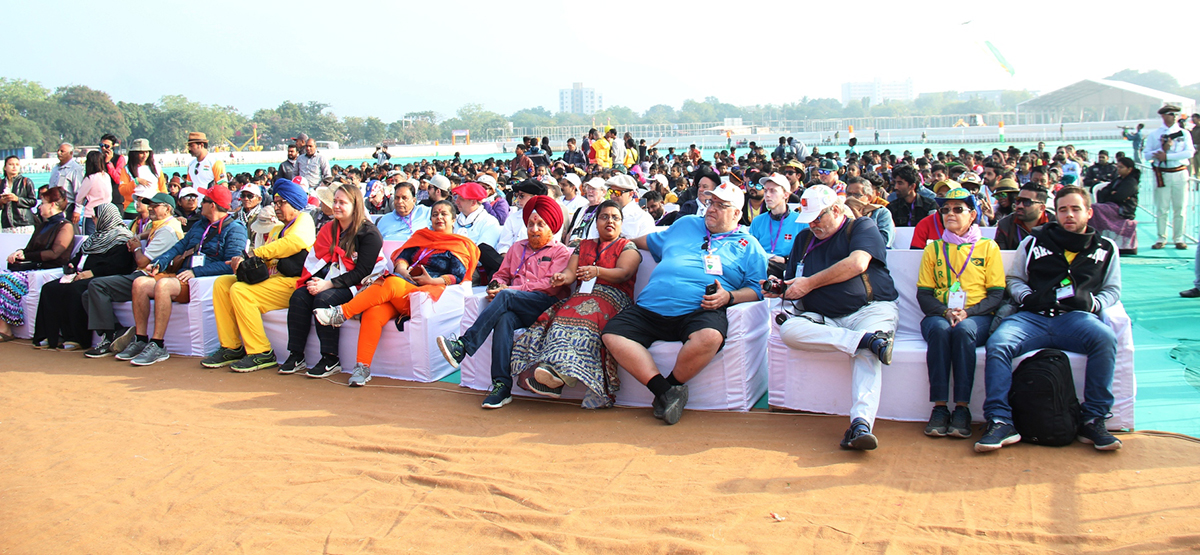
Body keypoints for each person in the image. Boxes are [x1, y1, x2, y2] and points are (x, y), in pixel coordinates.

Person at [602, 182, 768, 425]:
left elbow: (757, 289)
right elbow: (646, 241)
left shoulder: (749, 245)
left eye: (721, 205)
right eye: (711, 202)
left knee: (710, 337)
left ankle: (671, 387)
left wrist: (729, 297)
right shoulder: (686, 224)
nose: (712, 208)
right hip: (650, 306)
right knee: (612, 335)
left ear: (737, 214)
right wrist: (616, 243)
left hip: (700, 308)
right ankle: (666, 391)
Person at [977, 186, 1123, 453]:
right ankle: (1000, 420)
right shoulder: (1034, 241)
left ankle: (1093, 419)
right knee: (998, 343)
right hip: (1032, 318)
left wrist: (1094, 303)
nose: (1069, 215)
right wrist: (1027, 298)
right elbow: (1015, 279)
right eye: (1064, 209)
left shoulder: (1106, 248)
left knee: (1105, 338)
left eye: (1076, 209)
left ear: (1089, 213)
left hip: (1075, 319)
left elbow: (1112, 290)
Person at [770, 185, 898, 450]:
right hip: (823, 316)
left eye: (818, 217)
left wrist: (809, 284)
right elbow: (796, 279)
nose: (813, 225)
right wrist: (782, 287)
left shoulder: (861, 227)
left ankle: (861, 423)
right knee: (789, 331)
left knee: (868, 354)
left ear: (837, 210)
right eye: (809, 219)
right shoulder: (804, 239)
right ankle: (864, 340)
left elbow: (857, 264)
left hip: (869, 308)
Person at [314, 200, 480, 386]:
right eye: (435, 214)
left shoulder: (459, 244)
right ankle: (362, 367)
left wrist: (432, 280)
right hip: (402, 286)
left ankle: (342, 313)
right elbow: (402, 258)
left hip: (425, 293)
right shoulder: (422, 237)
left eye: (444, 214)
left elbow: (458, 275)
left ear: (453, 219)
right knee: (373, 311)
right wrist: (403, 270)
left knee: (391, 282)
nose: (439, 218)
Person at [436, 196, 572, 409]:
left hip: (545, 304)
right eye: (530, 224)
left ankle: (463, 345)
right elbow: (501, 275)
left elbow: (550, 286)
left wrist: (506, 291)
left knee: (506, 297)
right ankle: (501, 386)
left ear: (552, 227)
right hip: (515, 306)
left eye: (540, 224)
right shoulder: (517, 248)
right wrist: (495, 286)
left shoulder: (560, 252)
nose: (534, 229)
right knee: (504, 319)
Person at [509, 200, 642, 406]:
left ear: (621, 224)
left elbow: (624, 273)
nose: (610, 221)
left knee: (588, 317)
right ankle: (553, 371)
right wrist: (562, 278)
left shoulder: (627, 246)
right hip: (581, 296)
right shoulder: (584, 245)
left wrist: (597, 271)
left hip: (613, 297)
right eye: (604, 217)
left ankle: (564, 376)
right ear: (596, 222)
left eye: (615, 217)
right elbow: (571, 273)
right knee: (559, 317)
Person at [114, 185, 245, 365]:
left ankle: (158, 344)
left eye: (204, 200)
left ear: (212, 205)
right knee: (140, 283)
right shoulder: (200, 224)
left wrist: (196, 272)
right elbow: (180, 246)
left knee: (163, 285)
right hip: (185, 275)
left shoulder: (235, 229)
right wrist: (160, 261)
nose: (199, 203)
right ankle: (141, 339)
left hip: (201, 280)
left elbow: (231, 264)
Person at [200, 179, 316, 372]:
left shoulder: (304, 220)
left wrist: (257, 254)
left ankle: (261, 352)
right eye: (275, 203)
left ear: (294, 204)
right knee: (222, 283)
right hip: (272, 281)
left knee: (240, 291)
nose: (277, 207)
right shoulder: (278, 228)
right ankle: (231, 346)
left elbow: (294, 243)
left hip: (294, 284)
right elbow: (267, 257)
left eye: (282, 203)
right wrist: (243, 263)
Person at [917, 189, 1004, 439]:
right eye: (945, 210)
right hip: (940, 314)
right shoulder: (933, 249)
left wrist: (968, 313)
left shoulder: (988, 247)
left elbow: (997, 295)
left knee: (964, 331)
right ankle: (940, 407)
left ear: (973, 215)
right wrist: (945, 311)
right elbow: (924, 295)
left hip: (977, 316)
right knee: (939, 330)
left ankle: (963, 408)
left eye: (958, 209)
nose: (950, 213)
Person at [278, 182, 383, 380]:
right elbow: (318, 260)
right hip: (332, 279)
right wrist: (316, 282)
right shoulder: (328, 229)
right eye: (335, 201)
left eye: (342, 202)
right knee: (300, 295)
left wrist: (327, 284)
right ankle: (296, 354)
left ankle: (330, 358)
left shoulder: (369, 234)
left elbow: (362, 272)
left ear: (355, 206)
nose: (336, 206)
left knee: (324, 299)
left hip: (362, 284)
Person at [82, 192, 184, 357]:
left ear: (168, 209)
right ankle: (117, 331)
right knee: (88, 294)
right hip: (145, 275)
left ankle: (110, 337)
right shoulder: (159, 225)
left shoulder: (167, 230)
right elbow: (147, 235)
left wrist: (136, 247)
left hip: (150, 277)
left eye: (155, 205)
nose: (150, 208)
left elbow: (142, 262)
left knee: (96, 285)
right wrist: (138, 236)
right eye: (150, 204)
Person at [31, 204, 136, 350]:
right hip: (80, 275)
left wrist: (92, 273)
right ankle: (50, 335)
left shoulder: (122, 238)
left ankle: (75, 337)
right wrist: (72, 266)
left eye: (96, 216)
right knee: (50, 288)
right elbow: (79, 257)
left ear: (106, 217)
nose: (93, 219)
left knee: (75, 290)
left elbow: (119, 265)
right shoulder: (94, 238)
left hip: (103, 277)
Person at [0, 187, 74, 341]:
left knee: (4, 281)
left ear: (53, 205)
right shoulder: (42, 225)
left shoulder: (65, 226)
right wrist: (19, 252)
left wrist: (26, 255)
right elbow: (29, 248)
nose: (39, 206)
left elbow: (55, 253)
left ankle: (5, 329)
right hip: (33, 268)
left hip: (49, 269)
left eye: (43, 203)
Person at [1143, 104, 1196, 250]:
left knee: (1180, 207)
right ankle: (1161, 237)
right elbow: (1147, 155)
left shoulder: (1183, 133)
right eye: (1171, 114)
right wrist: (1162, 150)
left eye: (1176, 114)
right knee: (1162, 208)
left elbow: (1189, 152)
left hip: (1179, 172)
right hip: (1163, 173)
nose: (1174, 117)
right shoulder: (1155, 135)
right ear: (1164, 116)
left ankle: (1179, 238)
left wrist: (1168, 156)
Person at [749, 174, 807, 278]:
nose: (767, 195)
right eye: (766, 190)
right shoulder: (758, 221)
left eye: (773, 191)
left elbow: (805, 254)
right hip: (761, 266)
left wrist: (785, 259)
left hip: (787, 267)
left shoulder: (801, 221)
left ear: (785, 194)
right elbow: (750, 250)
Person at [453, 182, 503, 277]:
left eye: (461, 199)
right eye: (457, 198)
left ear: (473, 202)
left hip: (472, 270)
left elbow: (482, 253)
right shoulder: (455, 220)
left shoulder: (489, 222)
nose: (456, 202)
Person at [1091, 156, 1140, 254]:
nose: (1118, 169)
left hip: (1123, 209)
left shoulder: (1131, 182)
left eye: (1121, 167)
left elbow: (1119, 197)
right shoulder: (1118, 180)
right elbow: (1103, 191)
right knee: (1093, 209)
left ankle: (1095, 239)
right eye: (1118, 167)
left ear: (1129, 169)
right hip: (1112, 205)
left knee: (1094, 208)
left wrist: (1111, 194)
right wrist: (1111, 193)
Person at [994, 184, 1055, 250]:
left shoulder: (1055, 225)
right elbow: (1001, 255)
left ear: (1041, 208)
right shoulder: (1005, 225)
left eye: (1027, 202)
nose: (1020, 206)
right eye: (1018, 201)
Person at [596, 174, 654, 240]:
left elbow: (645, 247)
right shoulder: (603, 214)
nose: (612, 196)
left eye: (617, 193)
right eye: (611, 192)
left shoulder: (642, 218)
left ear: (631, 194)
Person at [844, 177, 894, 248]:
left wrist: (859, 218)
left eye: (857, 195)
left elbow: (884, 241)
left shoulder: (881, 213)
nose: (851, 198)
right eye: (849, 194)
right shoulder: (841, 213)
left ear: (869, 198)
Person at [498, 179, 545, 253]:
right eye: (517, 196)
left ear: (534, 198)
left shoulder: (548, 218)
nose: (517, 199)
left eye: (521, 196)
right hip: (511, 259)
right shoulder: (513, 218)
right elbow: (504, 246)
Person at [73, 151, 112, 235]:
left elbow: (80, 197)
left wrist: (77, 209)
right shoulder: (106, 176)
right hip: (105, 213)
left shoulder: (90, 178)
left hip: (91, 214)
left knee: (89, 240)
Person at [561, 177, 607, 247]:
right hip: (573, 248)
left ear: (603, 192)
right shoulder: (581, 209)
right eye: (588, 188)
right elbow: (570, 232)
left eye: (593, 189)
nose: (590, 191)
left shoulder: (607, 210)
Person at [47, 143, 83, 223]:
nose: (59, 153)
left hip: (68, 207)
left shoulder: (75, 169)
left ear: (71, 153)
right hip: (55, 207)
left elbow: (79, 192)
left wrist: (77, 210)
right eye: (58, 151)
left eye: (62, 151)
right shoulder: (55, 168)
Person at [0, 156, 37, 234]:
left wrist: (17, 199)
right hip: (7, 224)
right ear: (5, 167)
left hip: (24, 223)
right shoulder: (1, 183)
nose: (14, 167)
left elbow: (33, 202)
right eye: (11, 164)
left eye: (17, 164)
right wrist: (1, 202)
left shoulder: (26, 181)